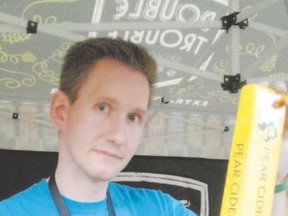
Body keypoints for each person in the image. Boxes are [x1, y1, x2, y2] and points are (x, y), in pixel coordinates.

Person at [0, 38, 197, 215]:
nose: (119, 136)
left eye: (133, 117)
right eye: (102, 108)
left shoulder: (162, 209)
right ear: (61, 111)